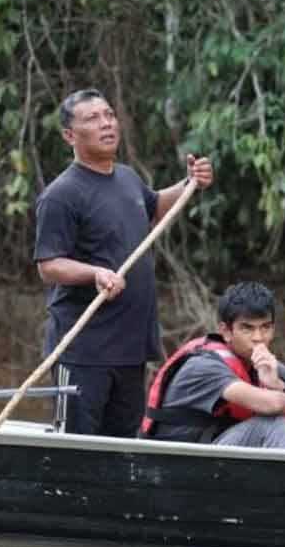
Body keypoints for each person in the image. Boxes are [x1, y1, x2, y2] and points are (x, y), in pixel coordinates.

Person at [33, 87, 214, 437]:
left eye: (109, 115)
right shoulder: (61, 195)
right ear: (70, 135)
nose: (106, 124)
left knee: (123, 448)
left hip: (130, 348)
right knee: (78, 448)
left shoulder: (127, 177)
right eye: (92, 118)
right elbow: (49, 265)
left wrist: (190, 183)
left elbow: (153, 208)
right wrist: (95, 273)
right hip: (84, 351)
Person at [140, 282, 285, 449]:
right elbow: (271, 405)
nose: (258, 338)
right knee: (271, 425)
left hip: (224, 451)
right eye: (247, 329)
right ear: (226, 331)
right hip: (183, 460)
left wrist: (284, 385)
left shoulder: (262, 361)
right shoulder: (203, 366)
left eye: (265, 327)